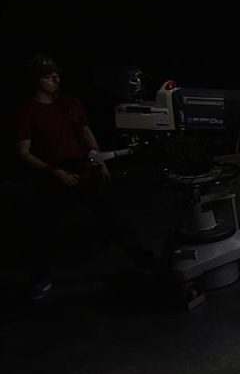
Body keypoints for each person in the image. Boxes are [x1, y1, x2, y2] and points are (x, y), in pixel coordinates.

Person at [15, 54, 153, 300]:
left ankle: (147, 262)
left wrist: (102, 163)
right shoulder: (28, 111)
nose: (55, 80)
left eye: (57, 75)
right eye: (49, 77)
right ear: (36, 81)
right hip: (55, 178)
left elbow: (85, 131)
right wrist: (54, 171)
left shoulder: (70, 102)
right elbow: (24, 152)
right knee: (43, 232)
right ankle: (40, 278)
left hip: (85, 172)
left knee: (117, 222)